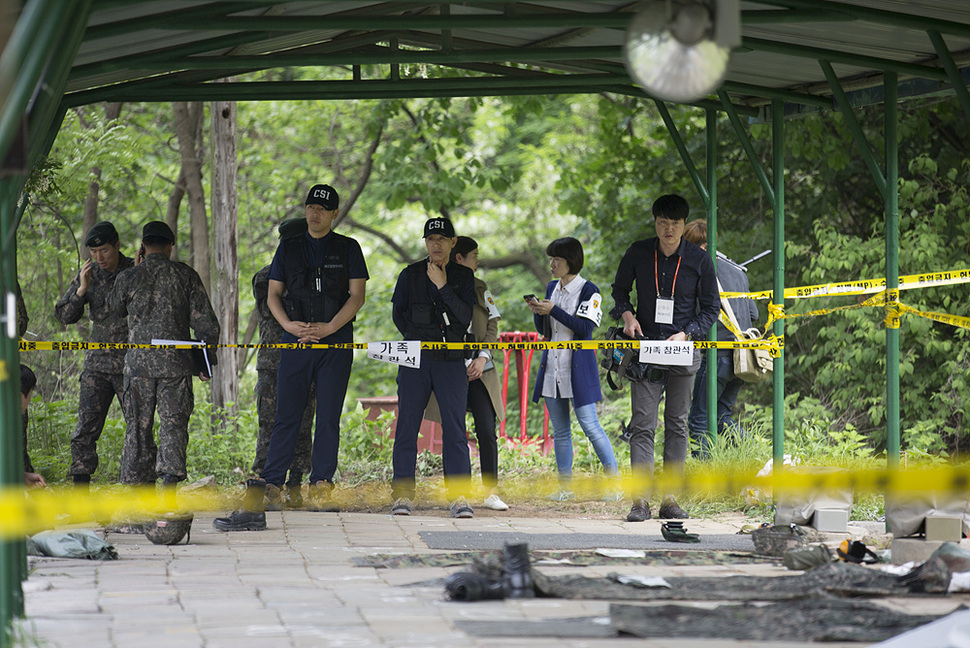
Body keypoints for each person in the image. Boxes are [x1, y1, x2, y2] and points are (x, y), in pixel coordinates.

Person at [214, 184, 368, 532]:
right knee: (287, 415)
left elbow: (357, 296)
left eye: (322, 209)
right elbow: (273, 296)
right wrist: (290, 326)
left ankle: (322, 484)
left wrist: (329, 328)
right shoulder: (289, 247)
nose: (314, 213)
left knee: (328, 416)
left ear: (334, 214)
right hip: (295, 340)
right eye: (310, 207)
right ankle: (272, 483)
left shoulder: (348, 248)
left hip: (335, 342)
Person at [610, 194, 718, 522]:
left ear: (684, 225)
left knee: (678, 424)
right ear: (655, 223)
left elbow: (711, 308)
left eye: (674, 224)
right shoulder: (639, 252)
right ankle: (639, 501)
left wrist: (687, 333)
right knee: (643, 424)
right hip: (645, 350)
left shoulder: (699, 260)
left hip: (683, 349)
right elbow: (618, 291)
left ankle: (670, 499)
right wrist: (628, 317)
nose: (668, 229)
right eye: (662, 223)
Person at [109, 221, 220, 486]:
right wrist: (206, 363)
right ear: (170, 246)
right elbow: (206, 324)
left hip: (138, 369)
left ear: (143, 246)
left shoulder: (129, 276)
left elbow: (114, 310)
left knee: (138, 426)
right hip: (176, 367)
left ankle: (137, 490)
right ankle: (169, 484)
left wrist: (135, 270)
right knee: (174, 424)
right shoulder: (185, 275)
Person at [389, 217, 476, 518]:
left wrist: (442, 287)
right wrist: (418, 339)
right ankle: (402, 495)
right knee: (407, 426)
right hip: (415, 358)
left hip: (451, 361)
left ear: (453, 243)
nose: (435, 244)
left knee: (455, 429)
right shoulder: (410, 274)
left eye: (441, 239)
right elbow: (398, 315)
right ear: (425, 242)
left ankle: (459, 496)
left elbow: (465, 318)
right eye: (430, 239)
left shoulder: (464, 276)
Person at [527, 237, 620, 501]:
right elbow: (544, 329)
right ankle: (565, 487)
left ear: (571, 261)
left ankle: (614, 484)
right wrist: (538, 311)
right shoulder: (551, 287)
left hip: (578, 368)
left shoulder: (589, 290)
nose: (552, 264)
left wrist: (553, 309)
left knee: (590, 426)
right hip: (552, 367)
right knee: (560, 431)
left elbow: (585, 330)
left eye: (557, 259)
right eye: (551, 259)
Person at [425, 236, 508, 511]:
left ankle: (490, 491)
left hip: (481, 368)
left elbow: (493, 326)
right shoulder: (434, 283)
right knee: (454, 430)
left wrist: (483, 357)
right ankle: (457, 491)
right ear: (458, 258)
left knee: (486, 428)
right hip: (449, 365)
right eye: (474, 256)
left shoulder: (481, 287)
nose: (478, 261)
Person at [54, 221, 133, 487]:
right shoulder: (89, 274)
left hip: (129, 366)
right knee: (85, 431)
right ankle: (80, 493)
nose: (99, 258)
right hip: (97, 367)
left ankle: (138, 489)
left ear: (117, 245)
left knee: (138, 429)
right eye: (94, 252)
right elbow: (64, 315)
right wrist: (81, 290)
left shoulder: (135, 271)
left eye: (104, 251)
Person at [249, 218, 315, 508]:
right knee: (270, 422)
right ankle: (265, 483)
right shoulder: (266, 277)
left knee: (302, 422)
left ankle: (296, 484)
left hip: (303, 359)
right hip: (273, 364)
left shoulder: (313, 276)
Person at [683, 220, 759, 458]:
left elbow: (695, 313)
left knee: (699, 420)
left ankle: (703, 482)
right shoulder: (737, 270)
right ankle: (757, 453)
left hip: (718, 356)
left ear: (697, 246)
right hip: (742, 357)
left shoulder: (700, 270)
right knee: (721, 417)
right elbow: (754, 314)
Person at [20, 364, 46, 488]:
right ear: (20, 395)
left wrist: (24, 477)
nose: (30, 399)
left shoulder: (19, 416)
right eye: (30, 394)